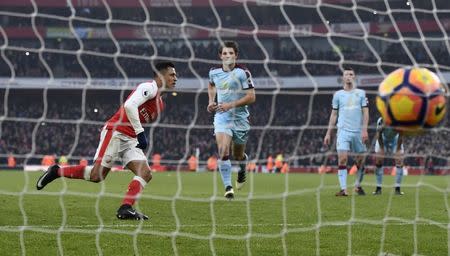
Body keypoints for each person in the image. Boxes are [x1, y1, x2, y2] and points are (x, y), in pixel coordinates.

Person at [36, 61, 178, 220]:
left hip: (130, 139)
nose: (175, 78)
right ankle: (56, 171)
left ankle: (126, 208)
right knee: (97, 176)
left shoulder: (160, 103)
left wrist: (137, 134)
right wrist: (140, 133)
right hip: (116, 132)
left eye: (175, 75)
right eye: (172, 74)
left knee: (145, 173)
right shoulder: (149, 87)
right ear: (160, 75)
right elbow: (130, 106)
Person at [207, 41, 256, 199]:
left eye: (231, 53)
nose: (228, 56)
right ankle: (228, 187)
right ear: (220, 55)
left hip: (240, 118)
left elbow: (251, 97)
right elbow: (211, 85)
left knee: (238, 155)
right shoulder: (214, 72)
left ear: (236, 55)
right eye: (225, 53)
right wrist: (210, 101)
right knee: (223, 151)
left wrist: (230, 105)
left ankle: (242, 166)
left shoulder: (243, 73)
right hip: (222, 116)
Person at [323, 67, 369, 196]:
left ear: (354, 77)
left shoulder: (361, 93)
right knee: (342, 159)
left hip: (358, 132)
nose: (349, 76)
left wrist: (364, 130)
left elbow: (366, 113)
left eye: (351, 74)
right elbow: (333, 114)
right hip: (342, 131)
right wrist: (328, 133)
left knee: (360, 160)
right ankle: (343, 189)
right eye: (346, 74)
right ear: (343, 78)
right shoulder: (338, 95)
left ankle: (358, 186)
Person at [373, 117, 405, 195]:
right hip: (383, 139)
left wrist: (398, 149)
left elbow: (401, 135)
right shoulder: (381, 121)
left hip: (395, 140)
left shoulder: (399, 121)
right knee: (379, 160)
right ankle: (378, 188)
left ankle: (397, 189)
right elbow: (379, 135)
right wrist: (382, 148)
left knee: (399, 160)